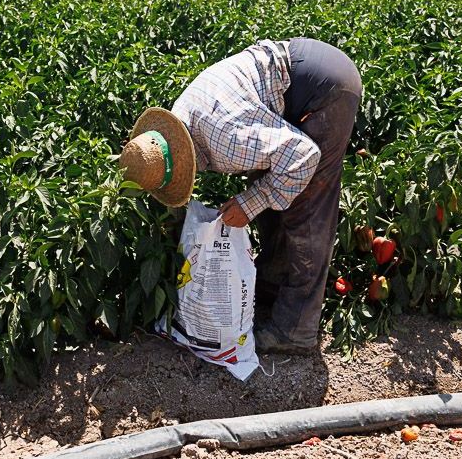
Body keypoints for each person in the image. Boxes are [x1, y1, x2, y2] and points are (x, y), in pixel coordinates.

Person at [117, 38, 363, 353]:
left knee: (307, 210)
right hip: (292, 78)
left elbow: (303, 156)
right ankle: (271, 287)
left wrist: (249, 204)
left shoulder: (225, 142)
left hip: (326, 89)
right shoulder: (180, 122)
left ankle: (296, 330)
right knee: (270, 182)